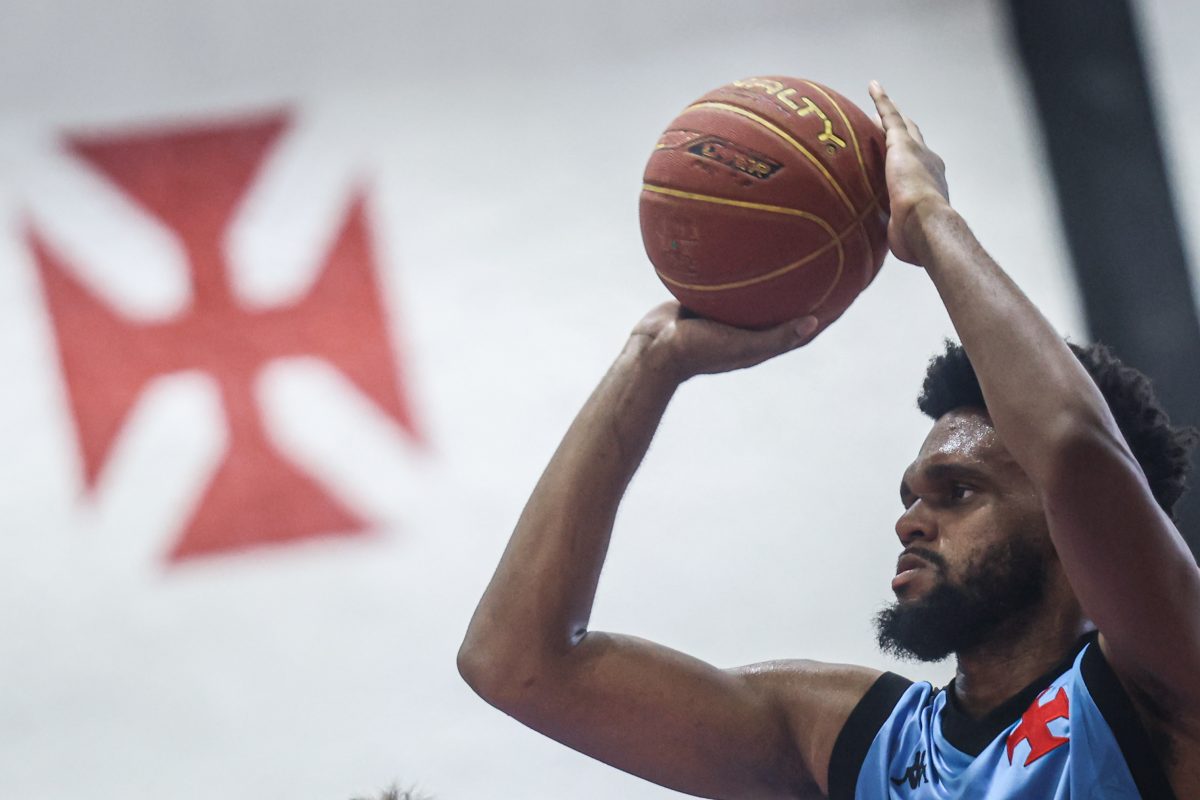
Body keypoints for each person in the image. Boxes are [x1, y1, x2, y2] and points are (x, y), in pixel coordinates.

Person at [456, 82, 1200, 798]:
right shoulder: (864, 740)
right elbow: (517, 663)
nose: (910, 522)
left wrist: (929, 221)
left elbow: (1073, 452)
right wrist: (652, 360)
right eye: (911, 496)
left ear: (1071, 528)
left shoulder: (1164, 683)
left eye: (958, 491)